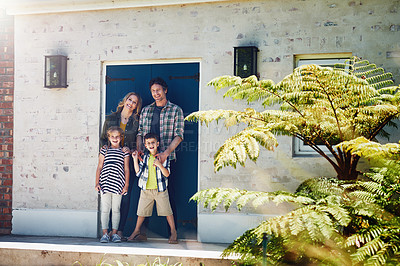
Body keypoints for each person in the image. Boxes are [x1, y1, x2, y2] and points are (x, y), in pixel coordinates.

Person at [136, 77, 184, 240]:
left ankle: (172, 232)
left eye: (158, 90)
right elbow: (140, 132)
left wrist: (166, 153)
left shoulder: (175, 110)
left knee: (168, 195)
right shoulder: (146, 111)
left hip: (167, 159)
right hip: (147, 160)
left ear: (165, 90)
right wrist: (139, 148)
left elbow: (179, 135)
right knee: (145, 194)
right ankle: (142, 232)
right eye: (153, 91)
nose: (156, 93)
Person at [100, 92, 141, 240]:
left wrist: (130, 149)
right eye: (130, 100)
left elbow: (137, 140)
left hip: (126, 164)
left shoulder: (136, 121)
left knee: (125, 197)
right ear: (125, 100)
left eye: (134, 102)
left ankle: (119, 230)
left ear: (137, 106)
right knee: (108, 199)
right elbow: (103, 139)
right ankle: (107, 231)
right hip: (110, 163)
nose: (131, 103)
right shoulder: (111, 118)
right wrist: (105, 154)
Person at [128, 133, 178, 244]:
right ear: (145, 145)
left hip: (160, 190)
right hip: (146, 190)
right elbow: (138, 173)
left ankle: (173, 231)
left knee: (167, 212)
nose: (151, 145)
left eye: (153, 143)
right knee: (141, 212)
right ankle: (136, 231)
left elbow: (167, 174)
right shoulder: (145, 157)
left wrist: (160, 165)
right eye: (148, 143)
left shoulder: (163, 156)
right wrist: (135, 159)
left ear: (157, 144)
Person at [95, 126, 130, 243]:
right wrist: (97, 182)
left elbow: (126, 169)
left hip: (118, 183)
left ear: (121, 138)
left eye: (117, 137)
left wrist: (126, 185)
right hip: (105, 182)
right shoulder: (104, 150)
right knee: (105, 209)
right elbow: (99, 166)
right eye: (112, 137)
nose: (115, 139)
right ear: (108, 138)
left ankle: (114, 234)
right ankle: (105, 233)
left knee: (116, 209)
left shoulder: (124, 152)